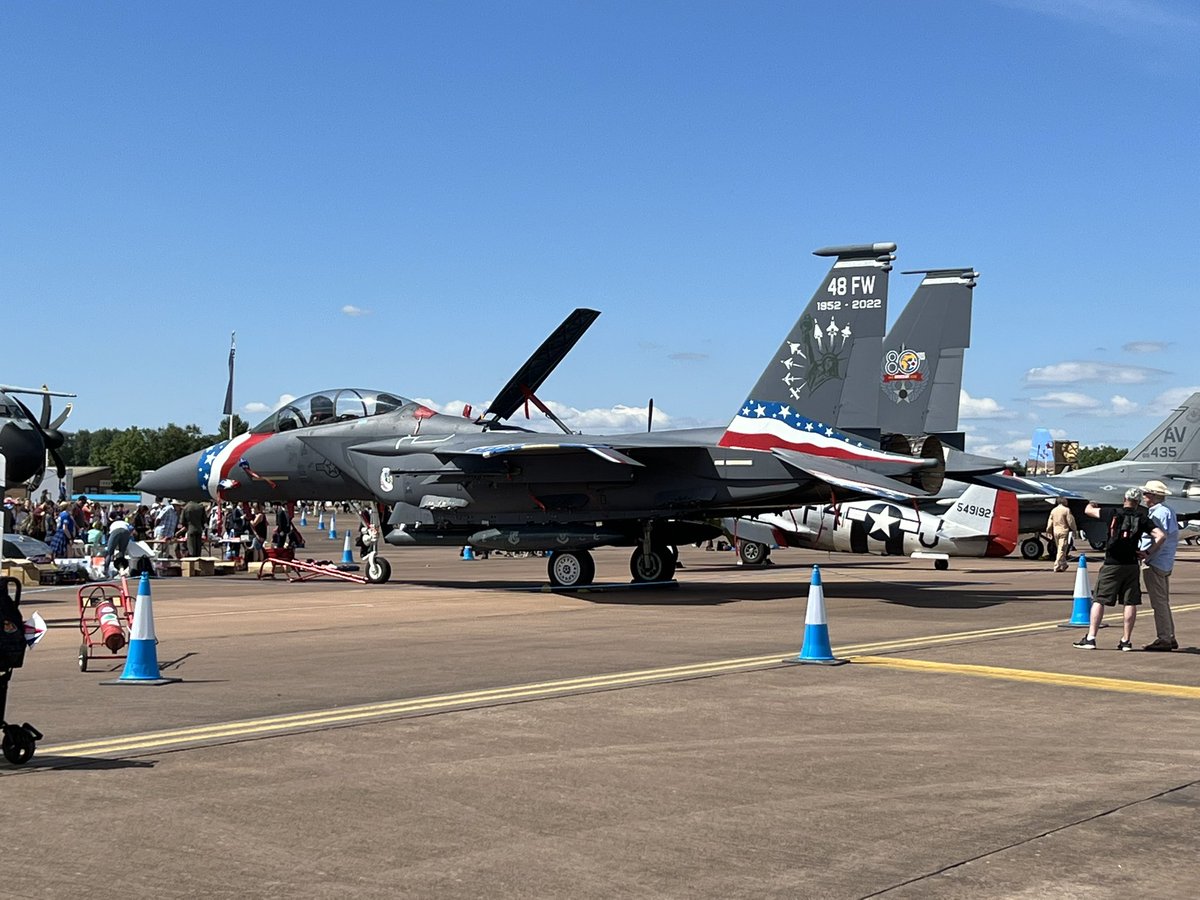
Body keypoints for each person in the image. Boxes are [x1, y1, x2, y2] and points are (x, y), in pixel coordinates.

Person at [1073, 488, 1160, 651]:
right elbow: (1160, 535)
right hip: (1132, 564)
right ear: (1138, 502)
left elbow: (1088, 511)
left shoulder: (1112, 513)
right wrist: (1148, 552)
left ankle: (1091, 638)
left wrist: (1092, 503)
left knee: (1100, 599)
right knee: (1130, 602)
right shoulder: (1142, 518)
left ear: (1124, 499)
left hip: (1112, 563)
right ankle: (1126, 641)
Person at [1139, 480, 1180, 651]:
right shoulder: (1167, 510)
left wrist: (1148, 554)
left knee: (1159, 602)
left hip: (1155, 561)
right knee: (1163, 601)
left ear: (1153, 496)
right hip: (1164, 561)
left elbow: (1160, 537)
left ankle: (1164, 638)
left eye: (1146, 493)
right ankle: (1169, 636)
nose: (1144, 496)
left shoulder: (1158, 513)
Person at [1045, 497, 1078, 572]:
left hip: (1055, 531)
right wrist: (1074, 529)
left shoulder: (1053, 510)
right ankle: (1057, 565)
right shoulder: (1066, 510)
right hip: (1063, 531)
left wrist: (1048, 531)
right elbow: (1070, 521)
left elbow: (1050, 522)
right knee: (1062, 549)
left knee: (1060, 548)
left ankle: (1063, 565)